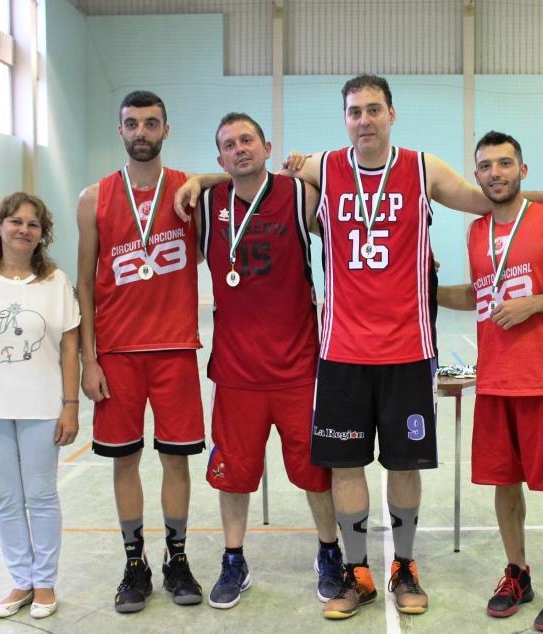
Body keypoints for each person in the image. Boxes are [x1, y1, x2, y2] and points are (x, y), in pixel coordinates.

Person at [180, 74, 543, 620]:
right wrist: (200, 180)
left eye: (373, 109)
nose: (364, 119)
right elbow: (251, 175)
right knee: (345, 467)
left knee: (402, 464)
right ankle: (357, 571)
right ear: (344, 119)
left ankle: (404, 567)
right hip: (341, 351)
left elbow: (485, 196)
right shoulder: (321, 169)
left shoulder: (423, 168)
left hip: (409, 349)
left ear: (392, 114)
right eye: (354, 111)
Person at [437, 131, 543, 631]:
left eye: (505, 163)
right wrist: (428, 290)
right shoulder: (475, 231)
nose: (495, 173)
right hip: (494, 380)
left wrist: (534, 304)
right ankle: (517, 574)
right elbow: (480, 295)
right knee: (504, 484)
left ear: (523, 171)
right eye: (485, 166)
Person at [196, 112, 343, 609]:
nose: (239, 149)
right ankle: (233, 559)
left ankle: (329, 551)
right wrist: (197, 180)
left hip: (298, 368)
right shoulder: (206, 204)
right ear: (219, 158)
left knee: (314, 472)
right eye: (229, 145)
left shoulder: (300, 195)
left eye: (247, 140)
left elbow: (353, 211)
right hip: (237, 373)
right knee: (234, 474)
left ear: (266, 146)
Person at [76, 90, 205, 613]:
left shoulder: (190, 191)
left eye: (151, 124)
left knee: (177, 461)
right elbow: (84, 282)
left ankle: (176, 557)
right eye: (132, 124)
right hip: (118, 353)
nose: (141, 133)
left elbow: (246, 178)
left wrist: (206, 178)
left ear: (166, 130)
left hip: (175, 349)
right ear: (120, 130)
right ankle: (135, 562)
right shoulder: (95, 197)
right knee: (123, 462)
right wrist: (89, 359)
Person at [0, 192, 80, 620]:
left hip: (42, 409)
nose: (24, 229)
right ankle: (20, 580)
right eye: (16, 221)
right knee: (5, 498)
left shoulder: (55, 282)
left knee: (40, 496)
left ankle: (44, 583)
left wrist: (70, 405)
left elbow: (69, 348)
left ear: (43, 234)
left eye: (33, 224)